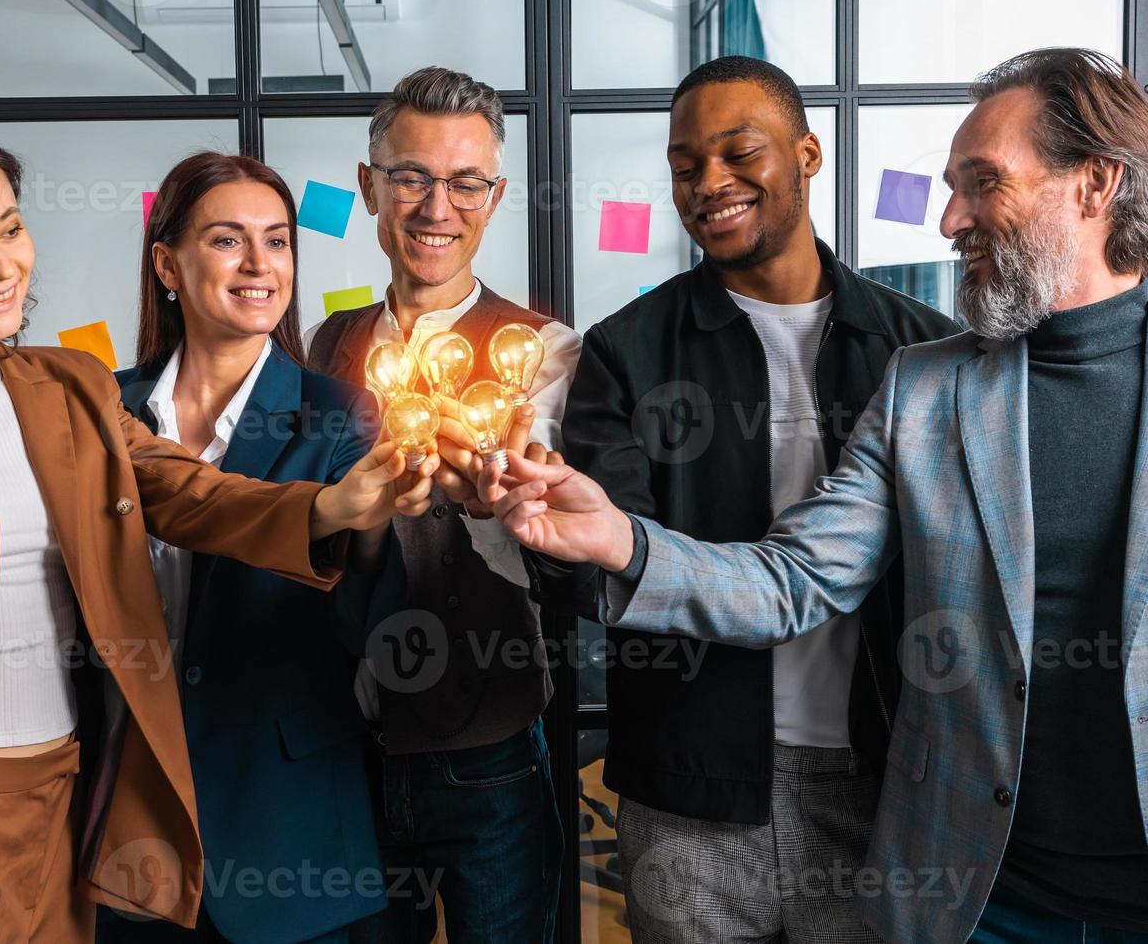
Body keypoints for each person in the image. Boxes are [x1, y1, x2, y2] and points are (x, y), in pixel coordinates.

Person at [479, 49, 1148, 944]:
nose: (948, 219)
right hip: (973, 892)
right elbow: (793, 580)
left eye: (982, 184)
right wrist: (621, 541)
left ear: (1095, 184)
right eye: (949, 186)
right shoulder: (928, 387)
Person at [0, 119, 434, 944]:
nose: (4, 268)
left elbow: (190, 495)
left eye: (11, 229)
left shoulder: (65, 386)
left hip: (72, 807)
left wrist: (330, 508)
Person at [525, 55, 957, 943]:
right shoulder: (625, 351)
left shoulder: (926, 352)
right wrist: (536, 526)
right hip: (688, 796)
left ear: (807, 153)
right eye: (686, 166)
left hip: (880, 788)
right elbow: (595, 580)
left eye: (737, 153)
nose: (707, 183)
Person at [302, 66, 581, 942]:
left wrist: (508, 503)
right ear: (369, 189)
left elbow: (569, 547)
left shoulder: (544, 350)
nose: (436, 207)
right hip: (351, 736)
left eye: (465, 182)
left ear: (494, 197)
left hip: (486, 745)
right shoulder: (330, 341)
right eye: (412, 177)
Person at [97, 151, 401, 944]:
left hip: (290, 829)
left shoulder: (343, 414)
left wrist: (362, 527)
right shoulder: (102, 411)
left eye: (278, 241)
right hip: (128, 829)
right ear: (168, 261)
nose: (261, 265)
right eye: (228, 240)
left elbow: (370, 622)